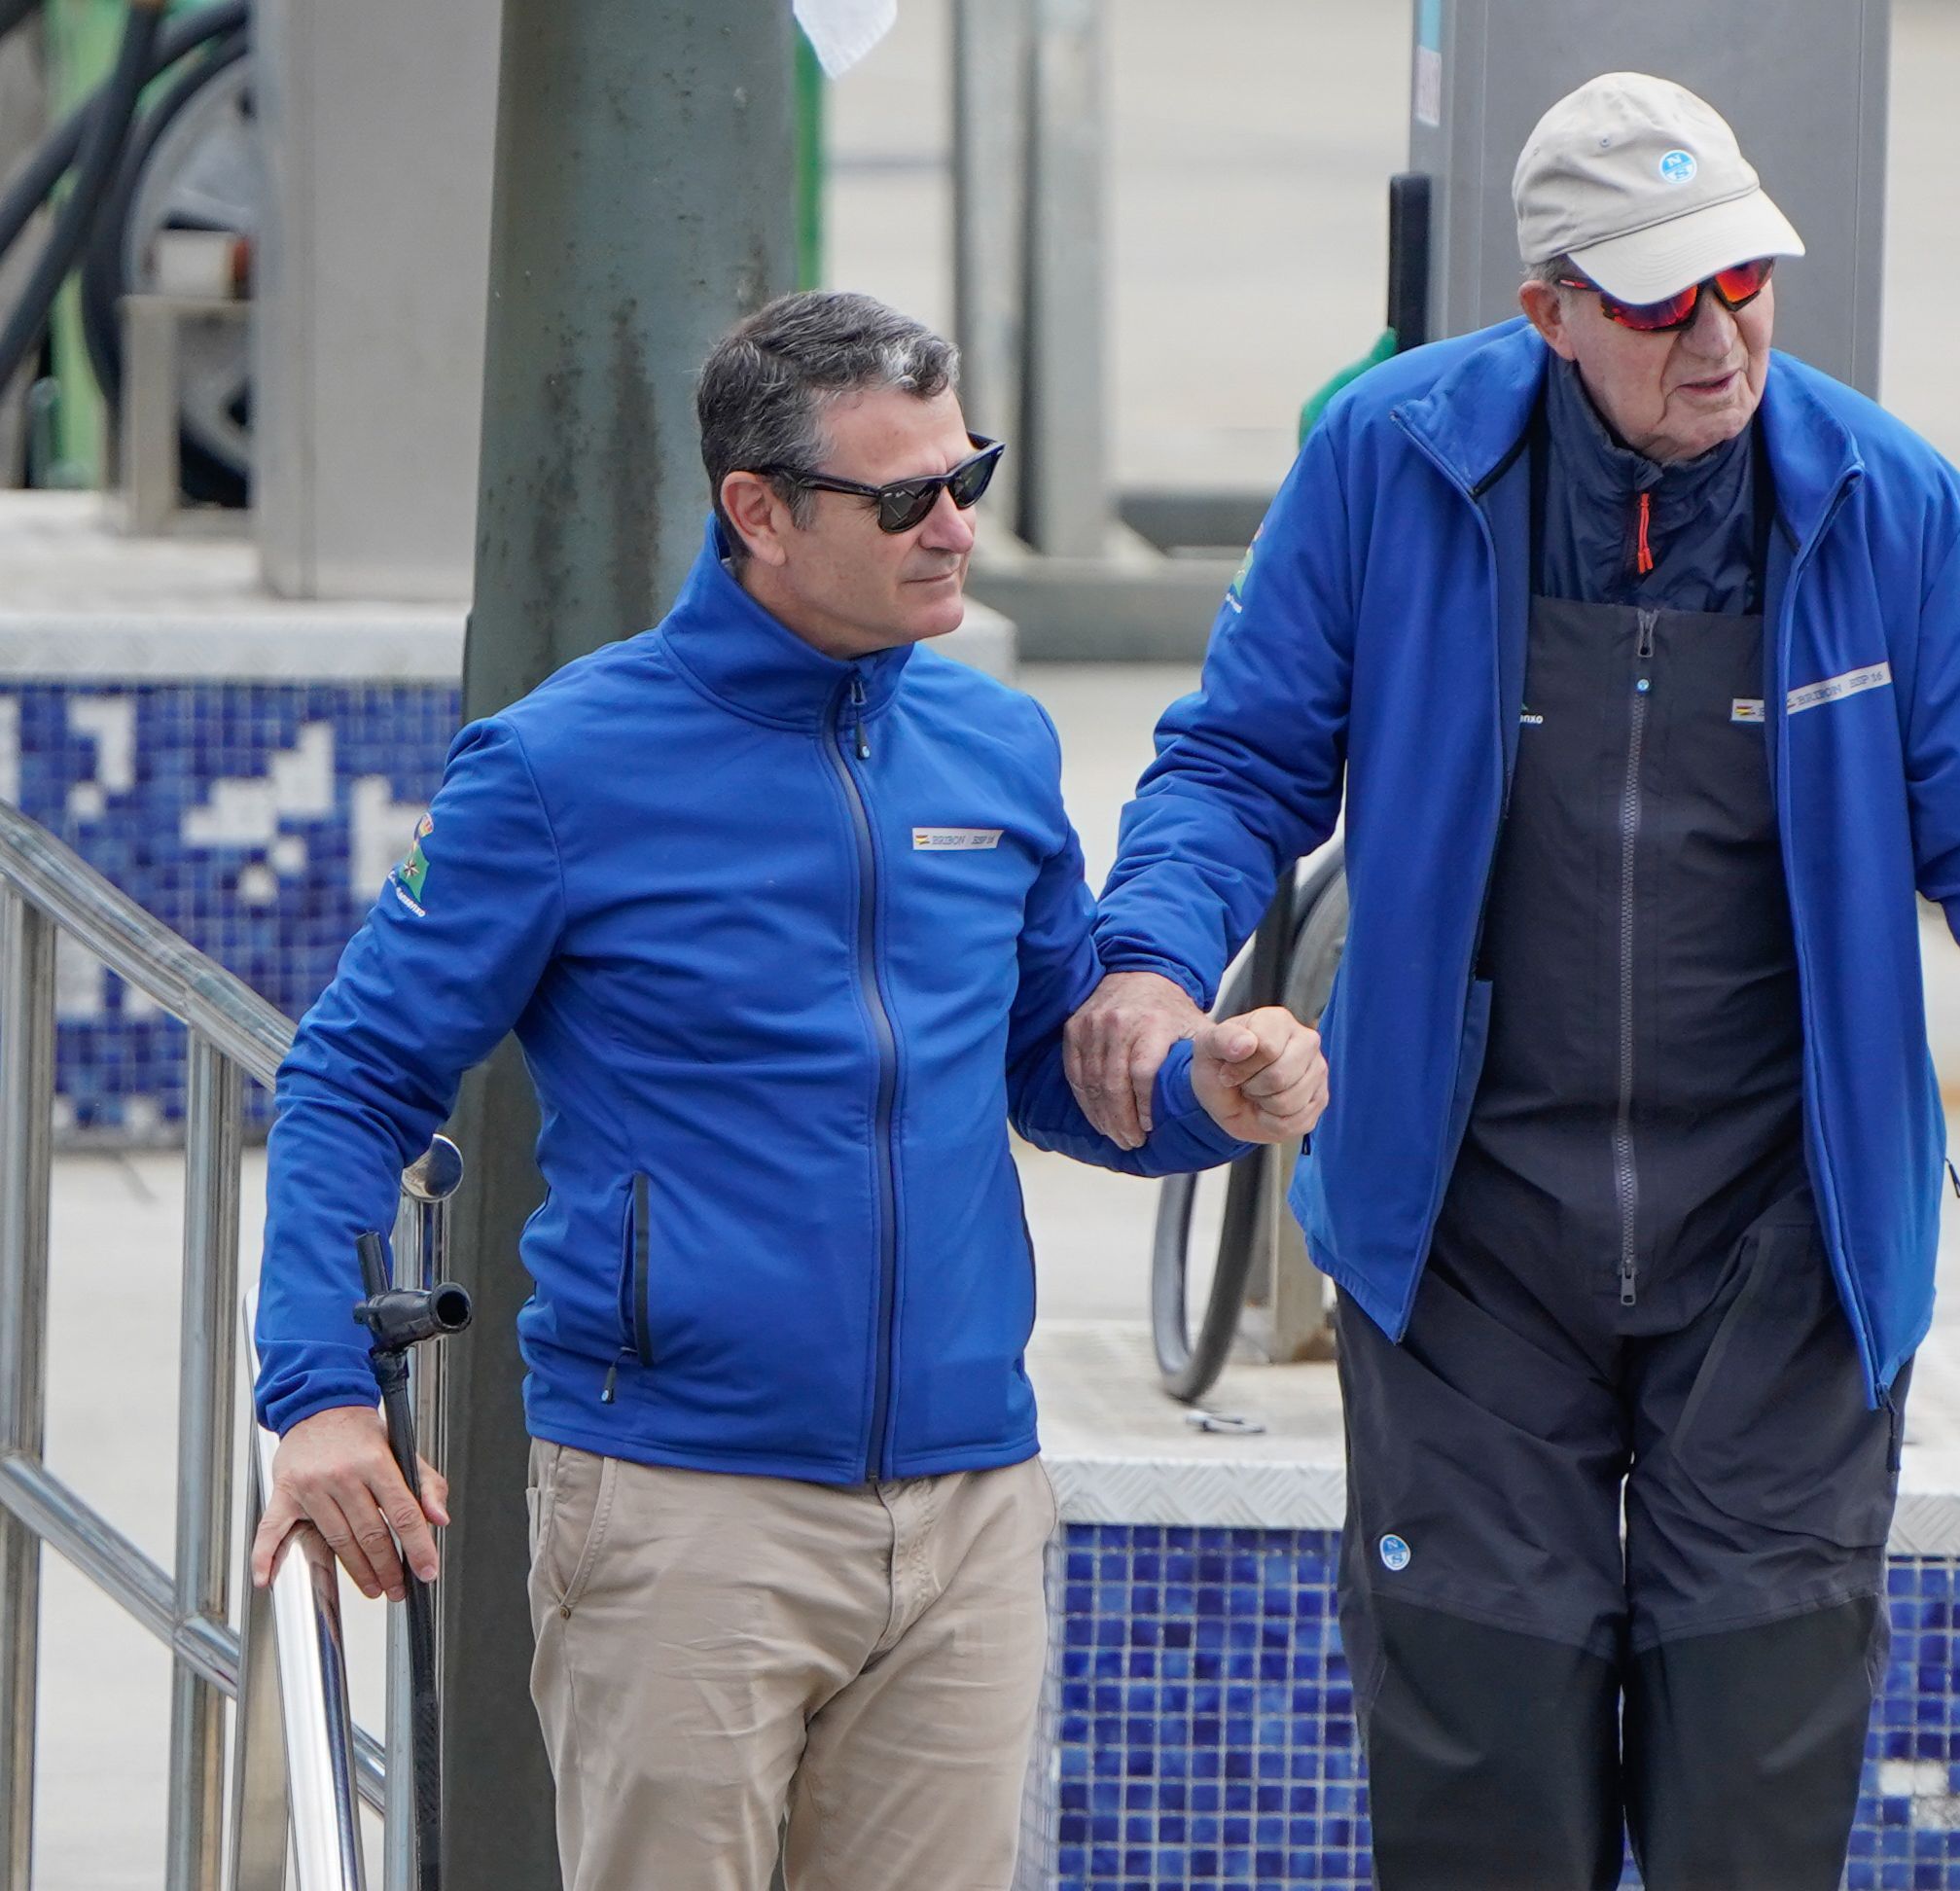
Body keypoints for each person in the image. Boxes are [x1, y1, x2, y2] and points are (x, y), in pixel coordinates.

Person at [1063, 72, 1960, 1891]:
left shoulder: (1890, 507)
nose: (1722, 333)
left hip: (1781, 1254)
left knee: (1746, 1825)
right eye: (1664, 298)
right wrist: (1147, 960)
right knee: (1483, 1814)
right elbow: (1239, 762)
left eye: (1746, 279)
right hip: (1467, 1250)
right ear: (1547, 312)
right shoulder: (1392, 461)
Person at [244, 291, 1330, 1891]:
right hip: (686, 1512)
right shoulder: (559, 770)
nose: (954, 526)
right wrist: (316, 1394)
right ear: (756, 512)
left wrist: (1202, 1096)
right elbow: (353, 1075)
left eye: (969, 476)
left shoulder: (995, 747)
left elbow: (1045, 1065)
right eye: (903, 499)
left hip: (967, 1504)